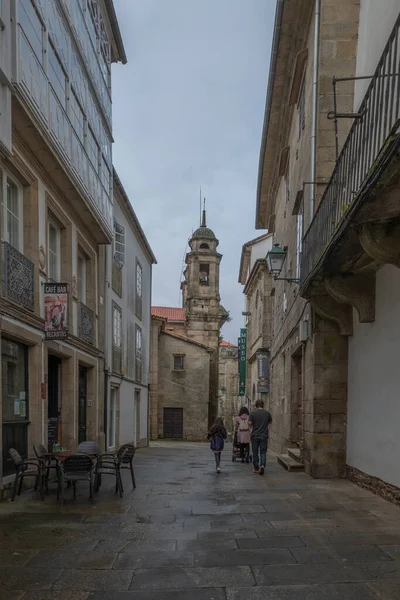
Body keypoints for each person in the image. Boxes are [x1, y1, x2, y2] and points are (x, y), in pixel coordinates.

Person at [249, 399, 272, 475]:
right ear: (263, 405)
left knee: (255, 452)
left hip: (255, 435)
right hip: (264, 435)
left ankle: (256, 468)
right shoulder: (267, 413)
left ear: (256, 405)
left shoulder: (252, 413)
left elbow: (249, 423)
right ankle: (262, 465)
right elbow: (270, 422)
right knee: (263, 452)